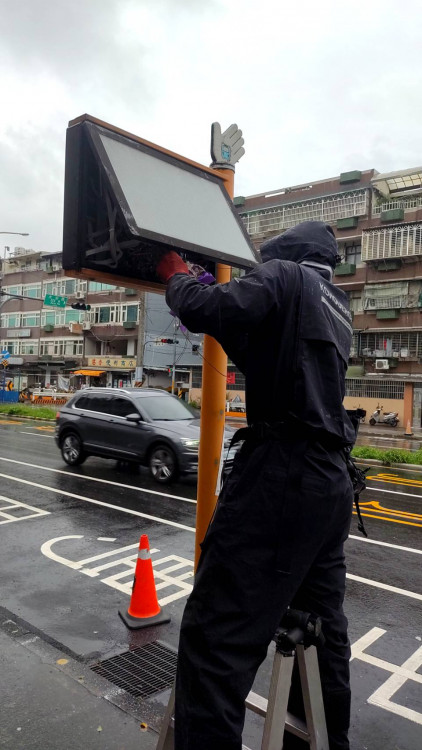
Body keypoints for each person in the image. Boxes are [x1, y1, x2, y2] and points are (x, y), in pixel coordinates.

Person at [156, 221, 356, 750]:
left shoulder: (284, 276)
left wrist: (178, 280)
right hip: (329, 483)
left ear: (283, 258)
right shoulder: (335, 304)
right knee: (321, 629)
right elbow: (261, 348)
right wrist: (208, 289)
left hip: (282, 474)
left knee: (215, 638)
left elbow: (211, 310)